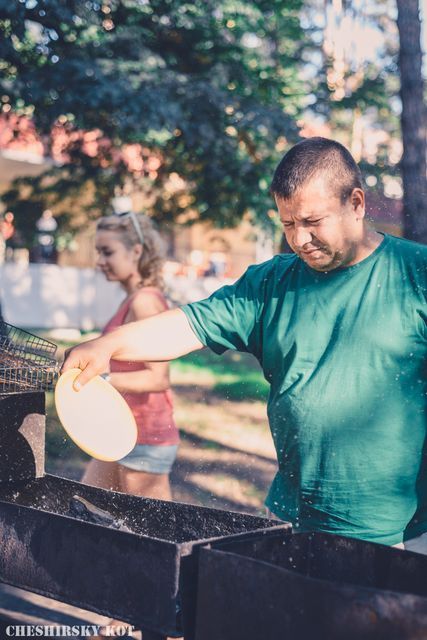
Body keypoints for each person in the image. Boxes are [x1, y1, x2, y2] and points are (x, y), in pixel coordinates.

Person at [62, 137, 427, 551]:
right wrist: (107, 346)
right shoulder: (270, 283)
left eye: (313, 221)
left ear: (356, 203)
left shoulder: (416, 274)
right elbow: (189, 324)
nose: (299, 239)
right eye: (288, 224)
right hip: (291, 514)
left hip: (395, 534)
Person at [82, 211, 179, 500]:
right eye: (98, 251)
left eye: (107, 252)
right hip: (120, 430)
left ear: (136, 251)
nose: (100, 261)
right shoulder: (132, 299)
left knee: (156, 538)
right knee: (84, 509)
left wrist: (99, 380)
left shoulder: (145, 301)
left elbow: (158, 378)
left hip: (146, 436)